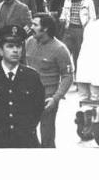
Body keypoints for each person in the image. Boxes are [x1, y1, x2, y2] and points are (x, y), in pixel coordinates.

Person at [0, 25, 45, 148]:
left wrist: (26, 127)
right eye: (10, 46)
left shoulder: (32, 77)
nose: (15, 50)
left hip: (26, 140)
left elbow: (38, 108)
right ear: (1, 51)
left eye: (18, 46)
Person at [25, 13, 74, 148]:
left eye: (35, 25)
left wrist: (56, 98)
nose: (31, 27)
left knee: (47, 139)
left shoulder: (60, 49)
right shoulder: (29, 42)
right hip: (27, 98)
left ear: (45, 28)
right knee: (26, 137)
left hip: (47, 101)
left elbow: (68, 76)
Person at [60, 0, 96, 68]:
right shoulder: (67, 0)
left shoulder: (88, 2)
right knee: (64, 52)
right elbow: (64, 13)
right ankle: (66, 73)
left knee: (78, 54)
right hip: (69, 29)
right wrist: (62, 18)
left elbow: (93, 17)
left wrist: (88, 29)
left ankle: (77, 74)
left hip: (81, 30)